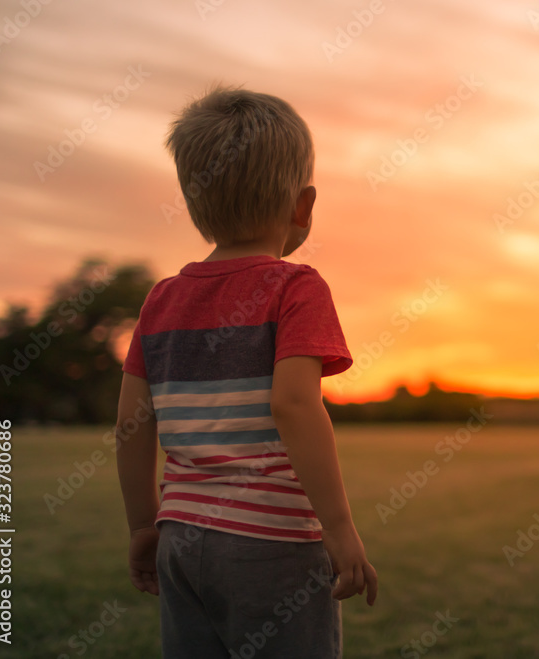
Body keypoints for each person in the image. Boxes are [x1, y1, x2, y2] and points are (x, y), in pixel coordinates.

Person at [114, 85, 377, 659]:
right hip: (273, 542)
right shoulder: (296, 287)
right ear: (303, 206)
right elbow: (296, 405)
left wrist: (143, 528)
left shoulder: (161, 300)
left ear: (194, 203)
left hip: (180, 540)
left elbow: (132, 424)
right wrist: (338, 528)